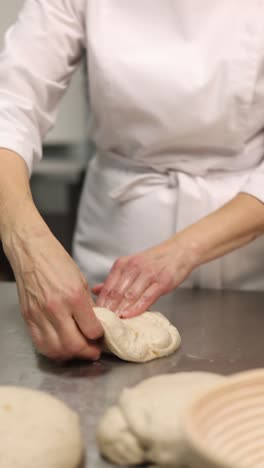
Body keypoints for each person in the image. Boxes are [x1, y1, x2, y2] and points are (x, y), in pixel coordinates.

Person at [0, 1, 264, 361]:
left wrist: (183, 250)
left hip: (245, 263)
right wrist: (26, 244)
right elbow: (11, 105)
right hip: (115, 253)